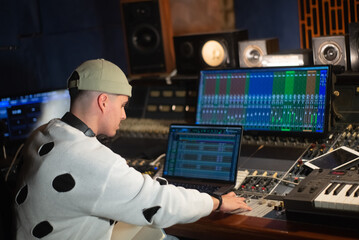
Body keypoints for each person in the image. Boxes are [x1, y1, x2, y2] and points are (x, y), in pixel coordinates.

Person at [14, 59, 251, 239]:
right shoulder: (91, 160)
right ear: (104, 101)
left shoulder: (41, 134)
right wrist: (216, 202)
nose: (124, 115)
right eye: (123, 105)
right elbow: (161, 205)